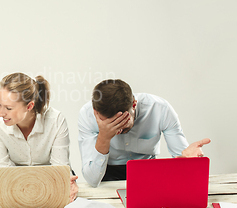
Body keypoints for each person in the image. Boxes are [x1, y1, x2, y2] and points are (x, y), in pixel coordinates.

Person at [78, 79, 211, 187]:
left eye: (122, 122)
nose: (117, 131)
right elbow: (92, 180)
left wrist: (188, 162)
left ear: (134, 104)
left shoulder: (160, 109)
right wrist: (104, 137)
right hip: (106, 174)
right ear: (96, 112)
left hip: (148, 171)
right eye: (110, 124)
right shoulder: (87, 115)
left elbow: (182, 160)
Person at [0, 73, 78, 206]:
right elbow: (0, 168)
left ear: (29, 106)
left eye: (8, 108)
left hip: (51, 185)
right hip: (16, 185)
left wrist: (66, 181)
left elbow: (59, 170)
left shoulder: (55, 120)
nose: (1, 113)